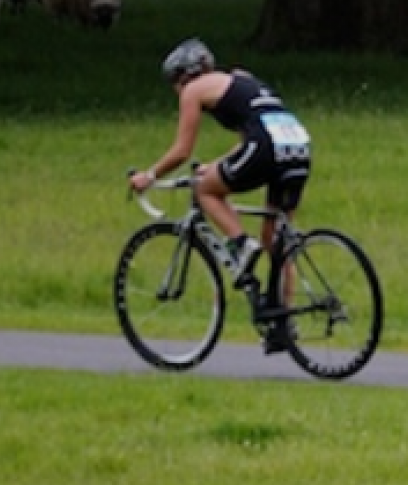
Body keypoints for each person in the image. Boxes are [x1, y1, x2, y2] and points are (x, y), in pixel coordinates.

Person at [129, 39, 312, 351]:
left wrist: (150, 176)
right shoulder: (241, 77)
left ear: (182, 77)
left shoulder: (193, 90)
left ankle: (241, 245)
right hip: (298, 147)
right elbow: (249, 138)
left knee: (204, 190)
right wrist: (216, 166)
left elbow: (182, 151)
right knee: (277, 240)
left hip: (267, 146)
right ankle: (283, 323)